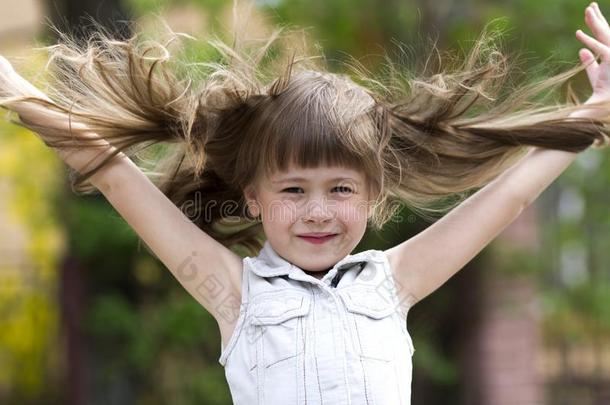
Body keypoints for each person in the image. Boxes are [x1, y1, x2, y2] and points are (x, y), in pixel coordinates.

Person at [1, 2, 609, 403]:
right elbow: (113, 173)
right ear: (256, 199)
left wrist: (591, 114)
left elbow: (506, 200)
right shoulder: (235, 294)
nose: (317, 211)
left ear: (372, 198)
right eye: (293, 190)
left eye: (340, 189)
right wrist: (15, 91)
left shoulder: (392, 283)